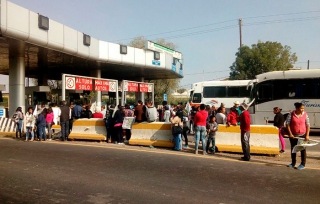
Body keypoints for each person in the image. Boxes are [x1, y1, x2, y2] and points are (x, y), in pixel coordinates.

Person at [286, 102, 310, 170]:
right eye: (301, 108)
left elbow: (308, 125)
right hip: (293, 135)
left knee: (302, 149)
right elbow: (287, 124)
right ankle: (293, 163)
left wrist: (307, 135)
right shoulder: (291, 114)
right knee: (293, 149)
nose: (303, 110)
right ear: (297, 108)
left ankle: (303, 164)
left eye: (303, 108)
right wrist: (290, 134)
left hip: (302, 135)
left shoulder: (305, 114)